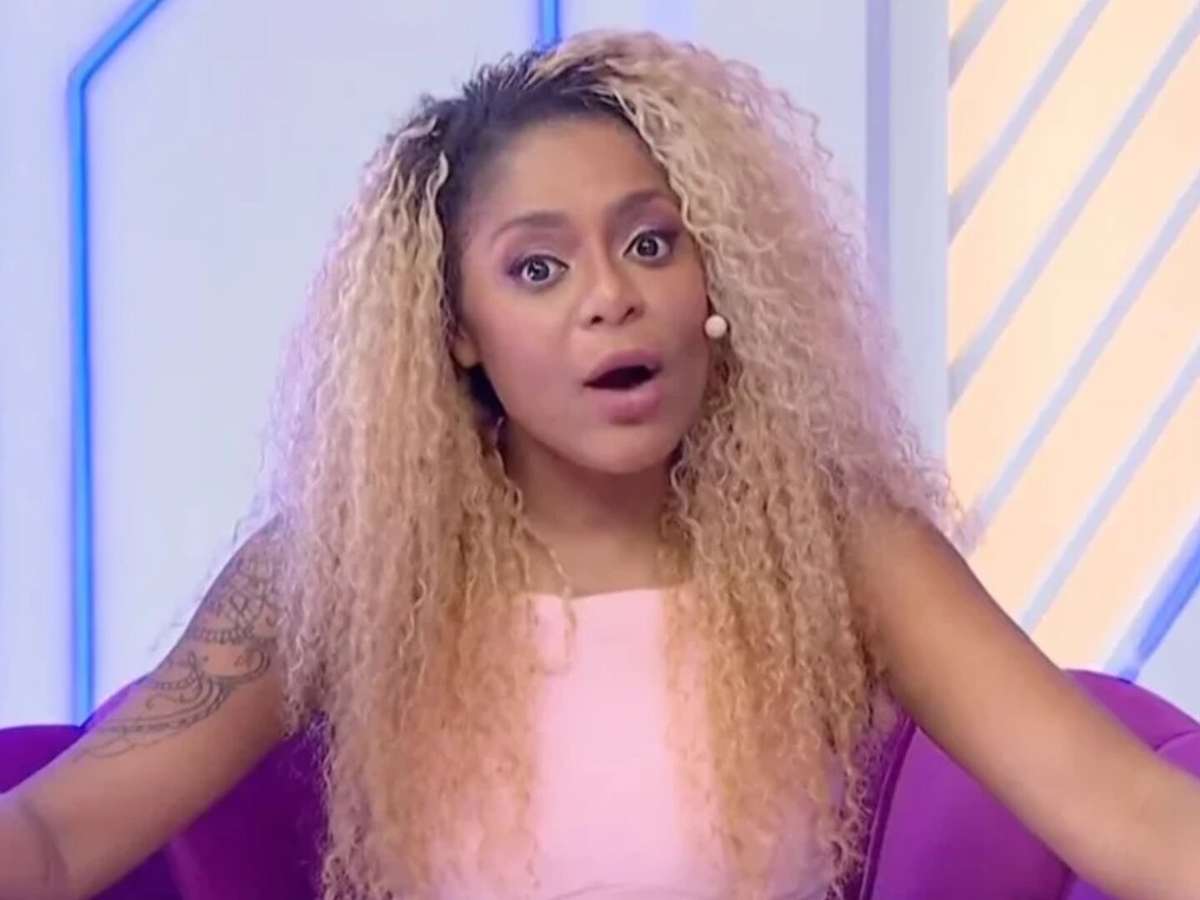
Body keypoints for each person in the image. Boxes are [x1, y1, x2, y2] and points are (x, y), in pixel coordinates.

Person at [1, 28, 1198, 900]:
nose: (612, 298)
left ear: (717, 278)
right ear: (457, 331)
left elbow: (1134, 817)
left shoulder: (842, 548)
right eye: (539, 268)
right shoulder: (336, 572)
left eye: (651, 244)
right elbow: (51, 843)